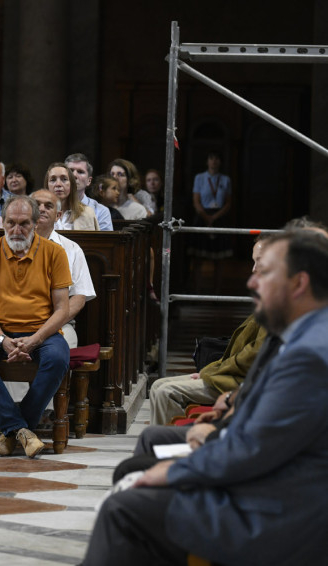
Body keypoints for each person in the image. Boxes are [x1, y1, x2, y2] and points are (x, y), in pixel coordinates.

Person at [82, 230, 328, 566]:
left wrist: (174, 471)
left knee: (123, 507)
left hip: (274, 513)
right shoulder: (306, 336)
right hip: (268, 482)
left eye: (266, 272)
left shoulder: (310, 355)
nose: (252, 282)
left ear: (299, 283)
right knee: (139, 481)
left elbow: (252, 449)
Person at [0, 196, 72, 458]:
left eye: (24, 224)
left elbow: (62, 309)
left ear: (35, 224)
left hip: (42, 332)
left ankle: (12, 431)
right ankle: (21, 430)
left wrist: (35, 339)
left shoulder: (54, 253)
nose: (16, 230)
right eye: (10, 223)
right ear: (2, 222)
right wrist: (2, 339)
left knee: (58, 358)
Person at [149, 237, 268, 425]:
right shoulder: (269, 297)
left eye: (259, 262)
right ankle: (164, 440)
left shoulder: (279, 304)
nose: (253, 269)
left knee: (166, 392)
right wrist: (211, 370)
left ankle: (173, 440)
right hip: (231, 375)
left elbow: (253, 355)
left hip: (242, 381)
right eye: (253, 262)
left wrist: (212, 372)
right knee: (157, 385)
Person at [4, 190, 96, 406]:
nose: (42, 209)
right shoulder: (9, 245)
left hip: (59, 324)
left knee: (60, 350)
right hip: (15, 321)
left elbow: (79, 297)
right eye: (37, 204)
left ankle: (45, 411)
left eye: (49, 205)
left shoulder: (71, 249)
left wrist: (48, 325)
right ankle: (18, 406)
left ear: (58, 215)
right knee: (7, 345)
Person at [188, 151, 234, 292]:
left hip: (219, 217)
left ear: (220, 162)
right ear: (207, 161)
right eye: (211, 158)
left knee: (219, 260)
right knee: (198, 258)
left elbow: (228, 202)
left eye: (216, 159)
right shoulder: (200, 178)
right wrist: (206, 216)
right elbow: (196, 201)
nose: (214, 161)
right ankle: (197, 291)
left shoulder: (225, 179)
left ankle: (217, 292)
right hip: (203, 217)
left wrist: (215, 217)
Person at [65, 153, 113, 231]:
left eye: (80, 172)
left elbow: (105, 239)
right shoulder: (53, 208)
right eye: (70, 171)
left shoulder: (101, 211)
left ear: (89, 181)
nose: (74, 175)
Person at [47, 162, 99, 230]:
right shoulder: (40, 213)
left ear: (72, 184)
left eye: (64, 179)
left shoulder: (87, 213)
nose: (58, 184)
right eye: (53, 180)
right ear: (47, 185)